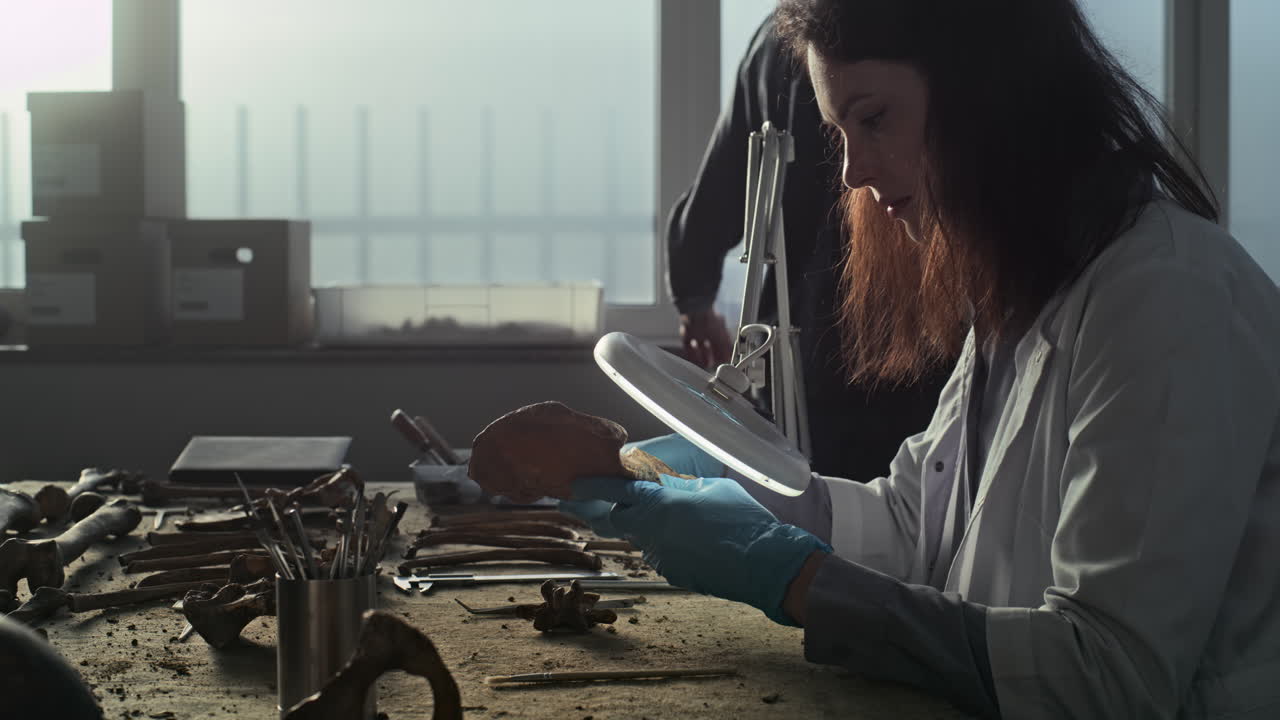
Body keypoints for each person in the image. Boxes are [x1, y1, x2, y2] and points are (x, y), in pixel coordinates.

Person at [562, 0, 1280, 717]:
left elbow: (1108, 676)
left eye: (873, 120)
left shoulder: (1167, 298)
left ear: (993, 91)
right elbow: (914, 526)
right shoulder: (1021, 291)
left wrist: (790, 578)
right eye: (838, 132)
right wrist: (750, 490)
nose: (849, 175)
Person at [666, 13, 946, 481]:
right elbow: (739, 166)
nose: (853, 173)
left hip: (845, 339)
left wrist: (694, 294)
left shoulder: (783, 37)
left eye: (874, 119)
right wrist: (693, 289)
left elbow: (727, 176)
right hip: (832, 339)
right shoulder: (797, 34)